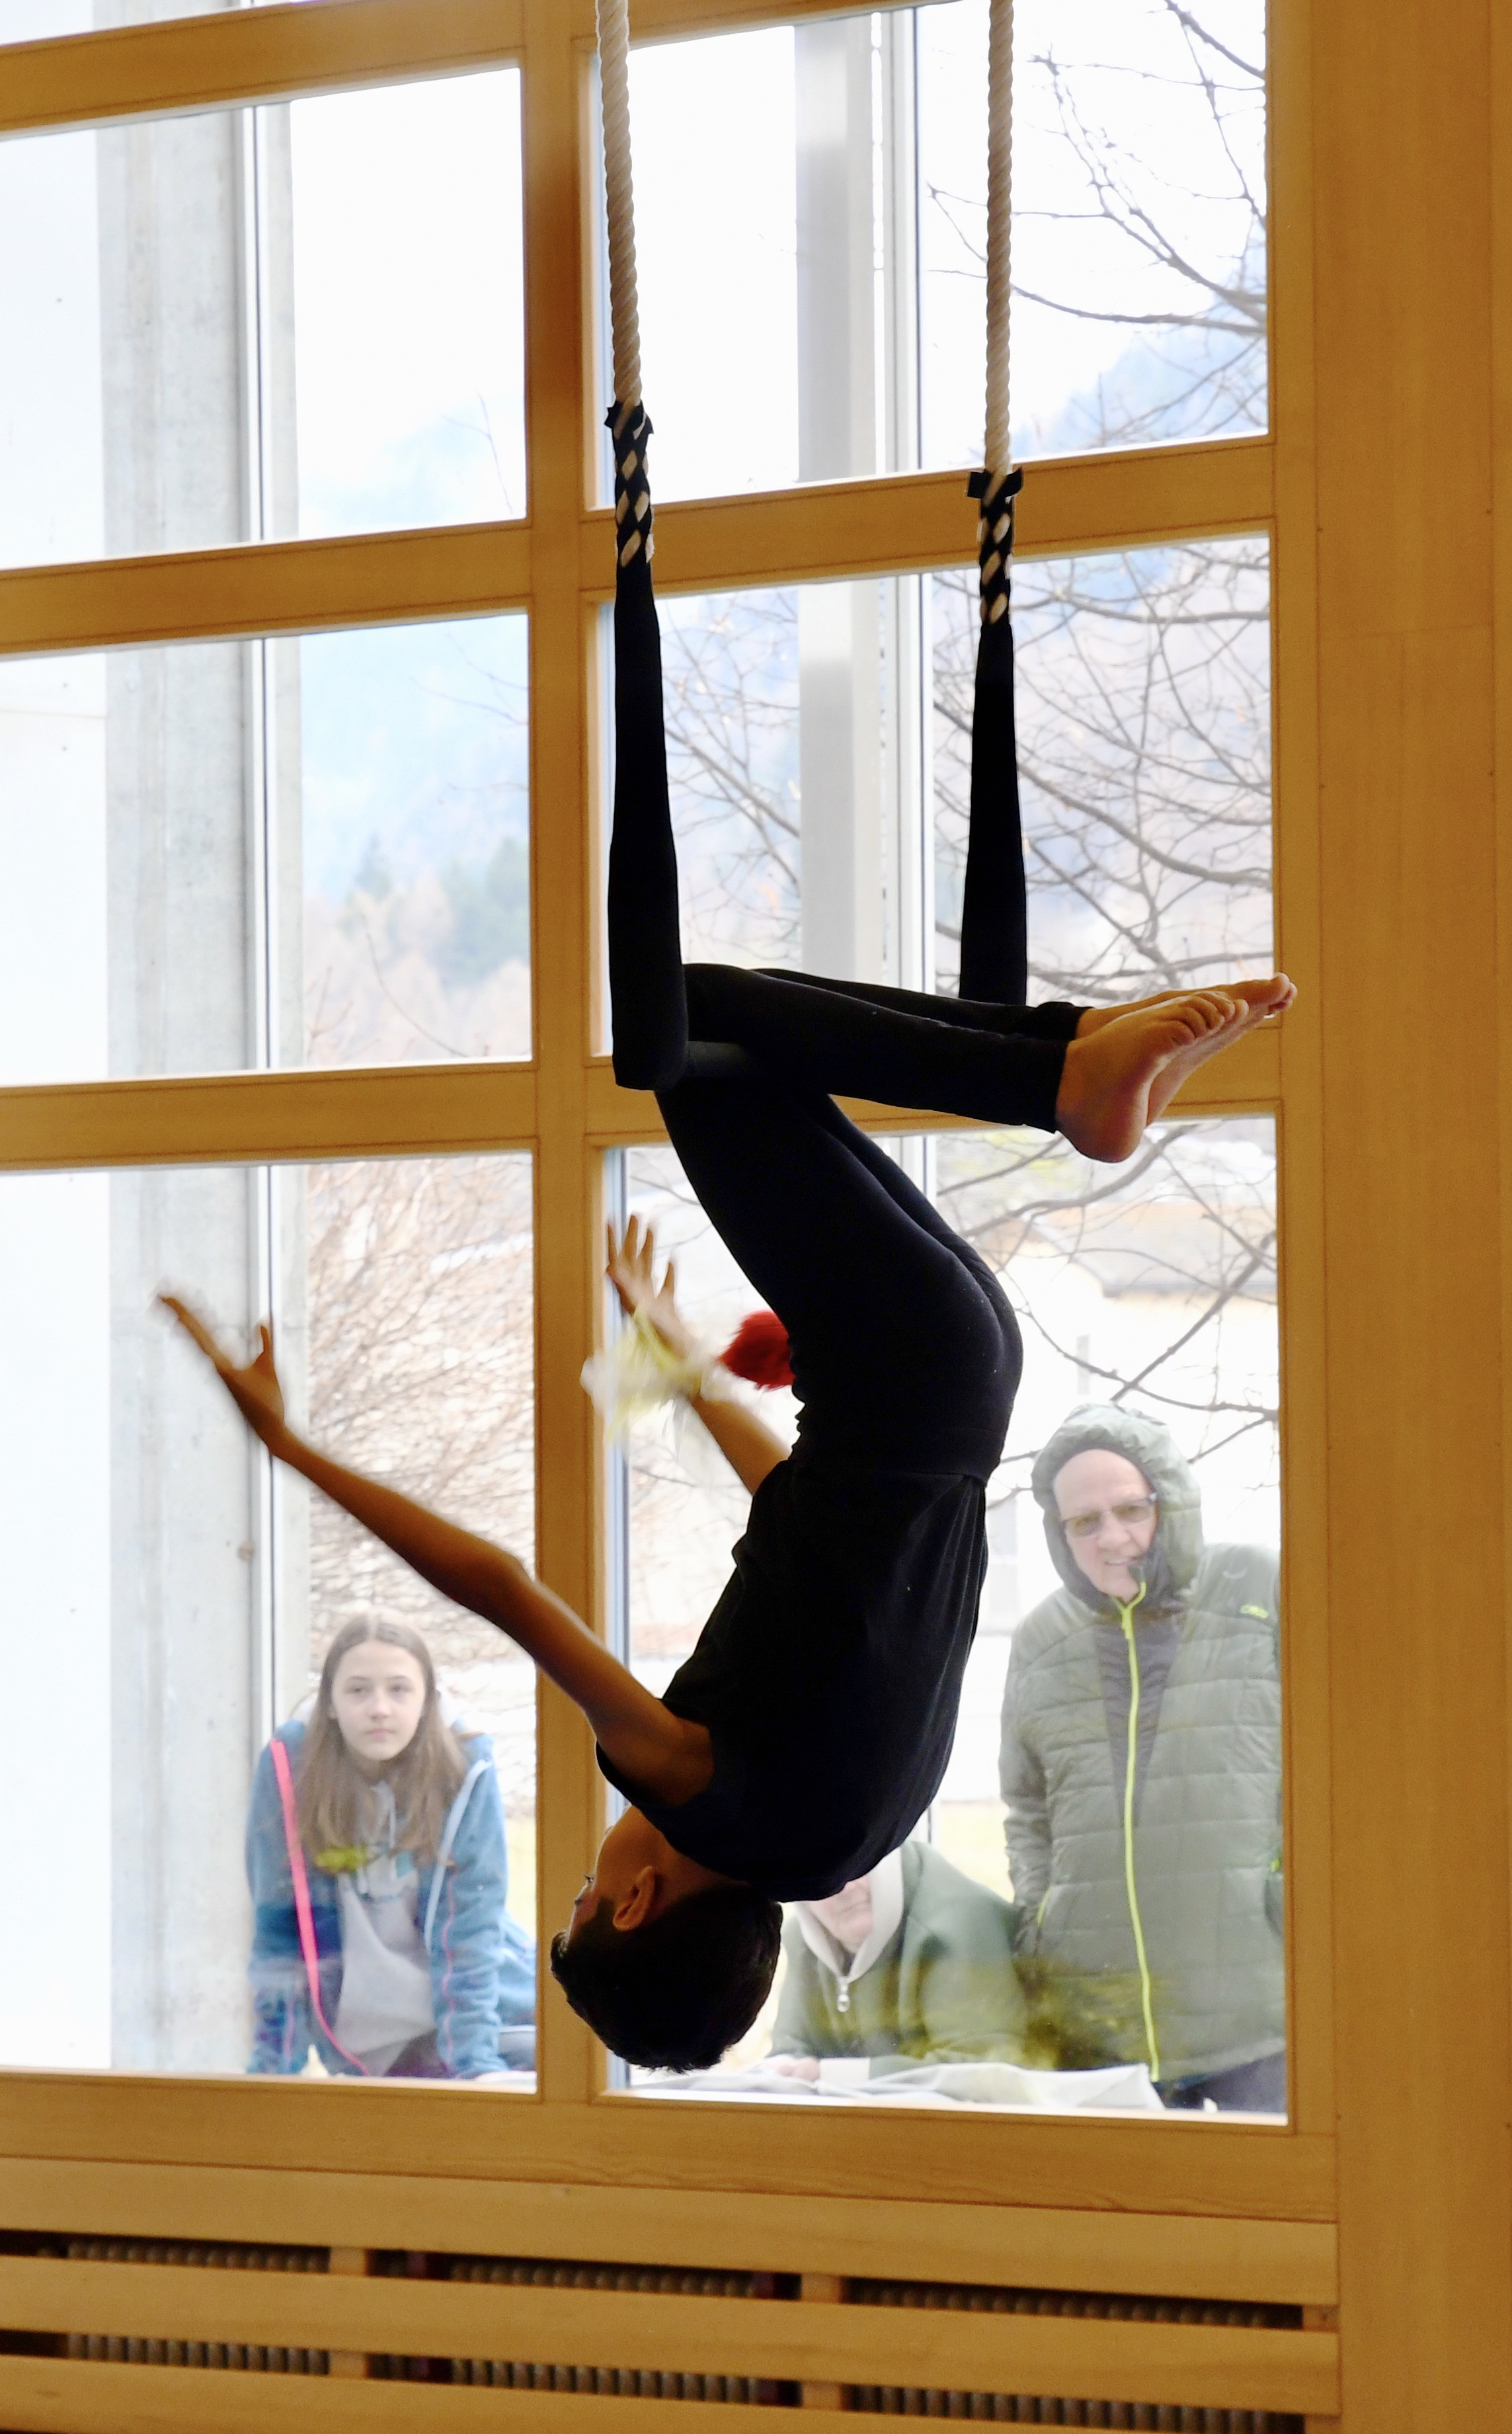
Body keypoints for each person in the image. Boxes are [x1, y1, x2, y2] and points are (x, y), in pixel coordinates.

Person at [165, 397, 1293, 2074]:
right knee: (676, 1027)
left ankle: (1054, 1063)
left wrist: (685, 1369)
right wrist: (289, 1445)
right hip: (898, 1373)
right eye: (586, 1889)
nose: (592, 1860)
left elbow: (813, 1520)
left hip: (955, 1370)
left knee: (722, 1036)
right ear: (635, 1903)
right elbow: (504, 1589)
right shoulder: (692, 1788)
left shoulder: (851, 1819)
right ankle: (1060, 1076)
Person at [999, 1405, 1284, 2112]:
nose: (1111, 1538)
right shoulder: (1041, 1641)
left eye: (1131, 1509)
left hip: (1259, 2014)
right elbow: (1027, 1808)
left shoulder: (1259, 1587)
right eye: (1084, 1522)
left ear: (1171, 1503)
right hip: (1101, 2026)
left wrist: (1287, 1891)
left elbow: (1342, 1759)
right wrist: (1040, 1919)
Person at [246, 1615, 536, 2079]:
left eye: (399, 1689)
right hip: (373, 2049)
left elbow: (472, 1930)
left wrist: (475, 2065)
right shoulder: (290, 1773)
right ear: (330, 1703)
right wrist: (272, 2073)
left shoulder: (462, 1772)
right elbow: (279, 1932)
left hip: (493, 2023)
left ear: (427, 1702)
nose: (379, 1708)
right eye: (359, 1690)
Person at [767, 1840, 1028, 2076]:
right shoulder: (804, 1939)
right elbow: (788, 2054)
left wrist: (834, 2075)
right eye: (828, 1876)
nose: (847, 1888)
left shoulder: (957, 1926)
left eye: (860, 1865)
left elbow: (982, 2068)